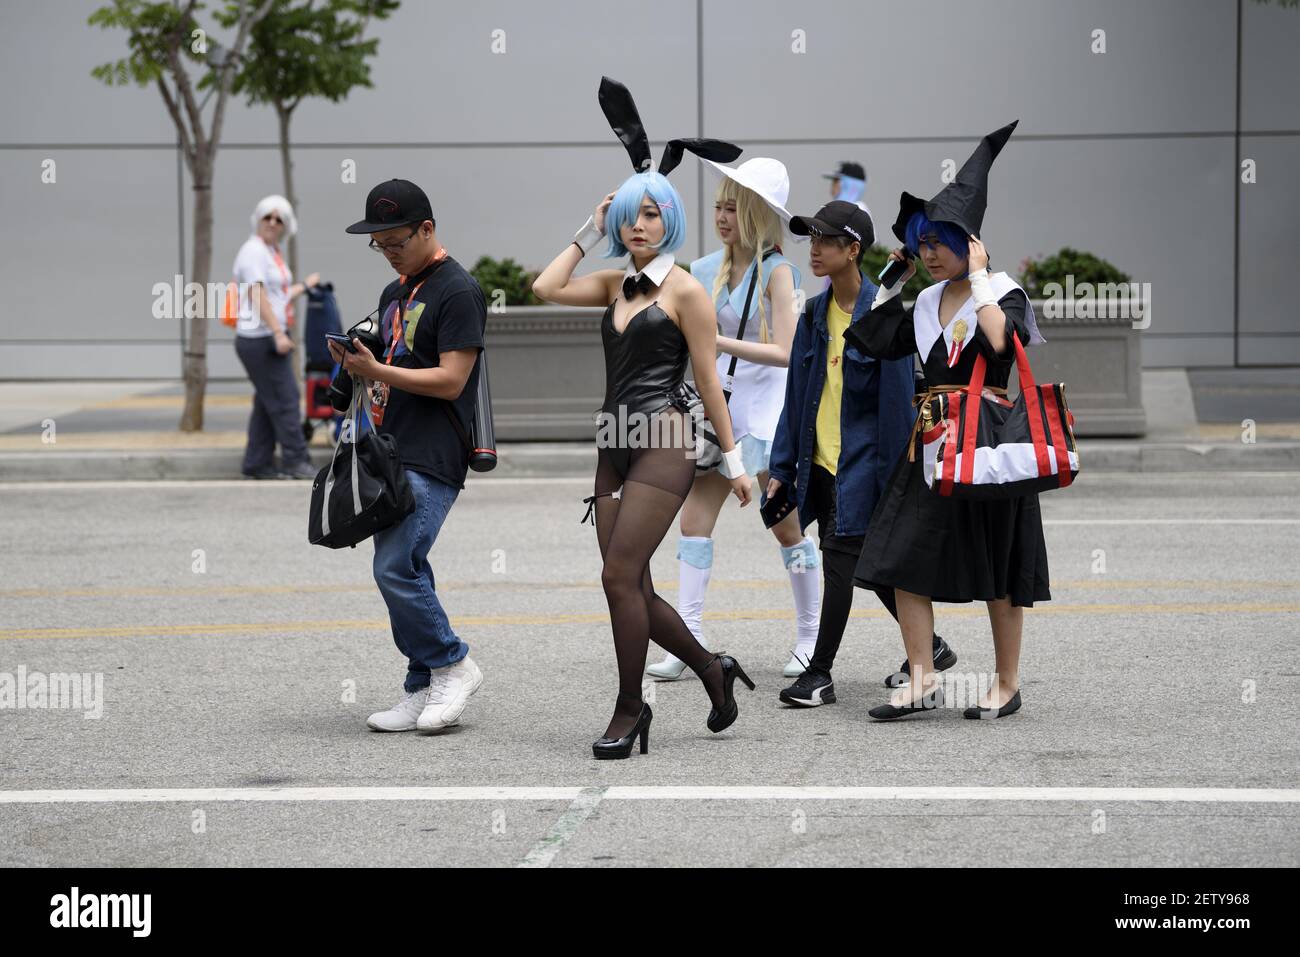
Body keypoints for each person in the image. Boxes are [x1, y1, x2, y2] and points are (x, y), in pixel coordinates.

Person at [532, 77, 755, 759]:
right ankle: (714, 669)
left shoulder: (685, 289)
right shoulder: (610, 281)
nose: (640, 223)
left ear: (671, 223)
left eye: (653, 214)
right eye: (631, 213)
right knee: (630, 581)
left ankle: (631, 708)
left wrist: (737, 462)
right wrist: (588, 228)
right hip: (613, 439)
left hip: (664, 437)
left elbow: (711, 382)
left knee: (615, 577)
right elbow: (542, 287)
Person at [845, 121, 1050, 721]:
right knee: (902, 555)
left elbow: (1002, 346)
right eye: (921, 242)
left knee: (998, 564)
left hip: (986, 444)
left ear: (971, 242)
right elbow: (870, 339)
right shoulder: (926, 301)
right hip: (932, 441)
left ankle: (1007, 682)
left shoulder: (1002, 291)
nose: (929, 252)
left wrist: (982, 277)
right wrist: (892, 279)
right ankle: (922, 675)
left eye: (939, 241)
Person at [766, 200, 954, 708]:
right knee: (871, 567)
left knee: (841, 563)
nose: (817, 249)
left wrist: (896, 481)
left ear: (854, 250)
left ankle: (819, 673)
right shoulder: (813, 313)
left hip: (866, 470)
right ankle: (931, 648)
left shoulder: (883, 312)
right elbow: (797, 395)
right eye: (812, 240)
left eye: (828, 241)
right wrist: (782, 468)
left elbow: (895, 406)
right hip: (819, 464)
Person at [644, 156, 821, 682]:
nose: (721, 216)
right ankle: (689, 640)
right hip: (716, 414)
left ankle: (810, 638)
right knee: (694, 525)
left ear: (756, 215)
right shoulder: (700, 269)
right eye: (718, 206)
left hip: (768, 417)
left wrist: (712, 340)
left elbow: (788, 350)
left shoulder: (779, 272)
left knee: (787, 529)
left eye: (732, 208)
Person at [330, 179, 486, 734]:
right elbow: (389, 376)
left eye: (396, 240)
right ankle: (421, 685)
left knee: (394, 566)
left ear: (427, 229)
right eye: (379, 243)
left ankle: (452, 663)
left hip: (434, 452)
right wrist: (358, 373)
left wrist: (376, 370)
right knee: (409, 567)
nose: (389, 251)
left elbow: (451, 380)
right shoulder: (395, 294)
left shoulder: (458, 290)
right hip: (390, 452)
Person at [232, 195, 320, 480]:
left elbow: (277, 295)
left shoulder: (270, 253)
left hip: (265, 336)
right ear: (258, 219)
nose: (272, 222)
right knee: (286, 398)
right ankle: (295, 460)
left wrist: (304, 287)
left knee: (267, 401)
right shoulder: (253, 251)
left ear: (286, 226)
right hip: (260, 338)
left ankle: (256, 463)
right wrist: (279, 333)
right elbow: (257, 295)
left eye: (278, 219)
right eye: (267, 217)